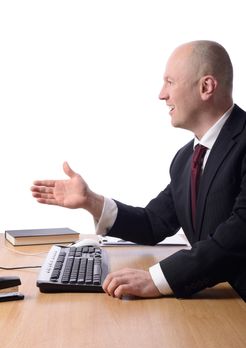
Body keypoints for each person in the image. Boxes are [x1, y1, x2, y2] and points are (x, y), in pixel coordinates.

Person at [31, 40, 246, 301]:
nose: (161, 94)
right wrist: (92, 202)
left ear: (206, 87)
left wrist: (157, 279)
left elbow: (238, 237)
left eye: (170, 82)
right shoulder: (185, 159)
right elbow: (153, 223)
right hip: (225, 308)